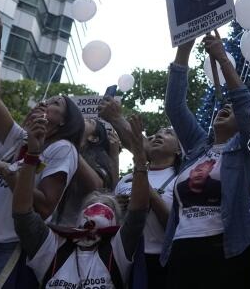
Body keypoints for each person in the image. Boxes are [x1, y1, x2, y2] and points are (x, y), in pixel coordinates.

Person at [0, 7, 83, 289]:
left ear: (65, 122)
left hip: (10, 247)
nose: (45, 103)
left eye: (56, 104)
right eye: (46, 100)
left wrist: (7, 171)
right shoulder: (18, 138)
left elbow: (44, 206)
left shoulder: (62, 150)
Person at [162, 33, 250, 288]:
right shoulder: (197, 148)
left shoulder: (244, 149)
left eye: (231, 109)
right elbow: (174, 106)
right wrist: (184, 48)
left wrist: (222, 59)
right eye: (222, 106)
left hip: (226, 252)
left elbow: (244, 104)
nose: (224, 107)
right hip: (182, 250)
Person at [13, 110, 149, 288]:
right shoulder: (52, 246)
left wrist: (140, 158)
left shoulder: (117, 249)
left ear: (117, 221)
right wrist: (31, 155)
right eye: (90, 204)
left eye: (107, 205)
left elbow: (138, 212)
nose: (97, 208)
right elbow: (22, 213)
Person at [108, 100, 179, 289]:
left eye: (168, 133)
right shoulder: (126, 179)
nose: (158, 135)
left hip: (156, 260)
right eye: (156, 133)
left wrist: (147, 195)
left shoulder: (179, 180)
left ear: (179, 149)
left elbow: (174, 226)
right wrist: (118, 206)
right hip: (120, 257)